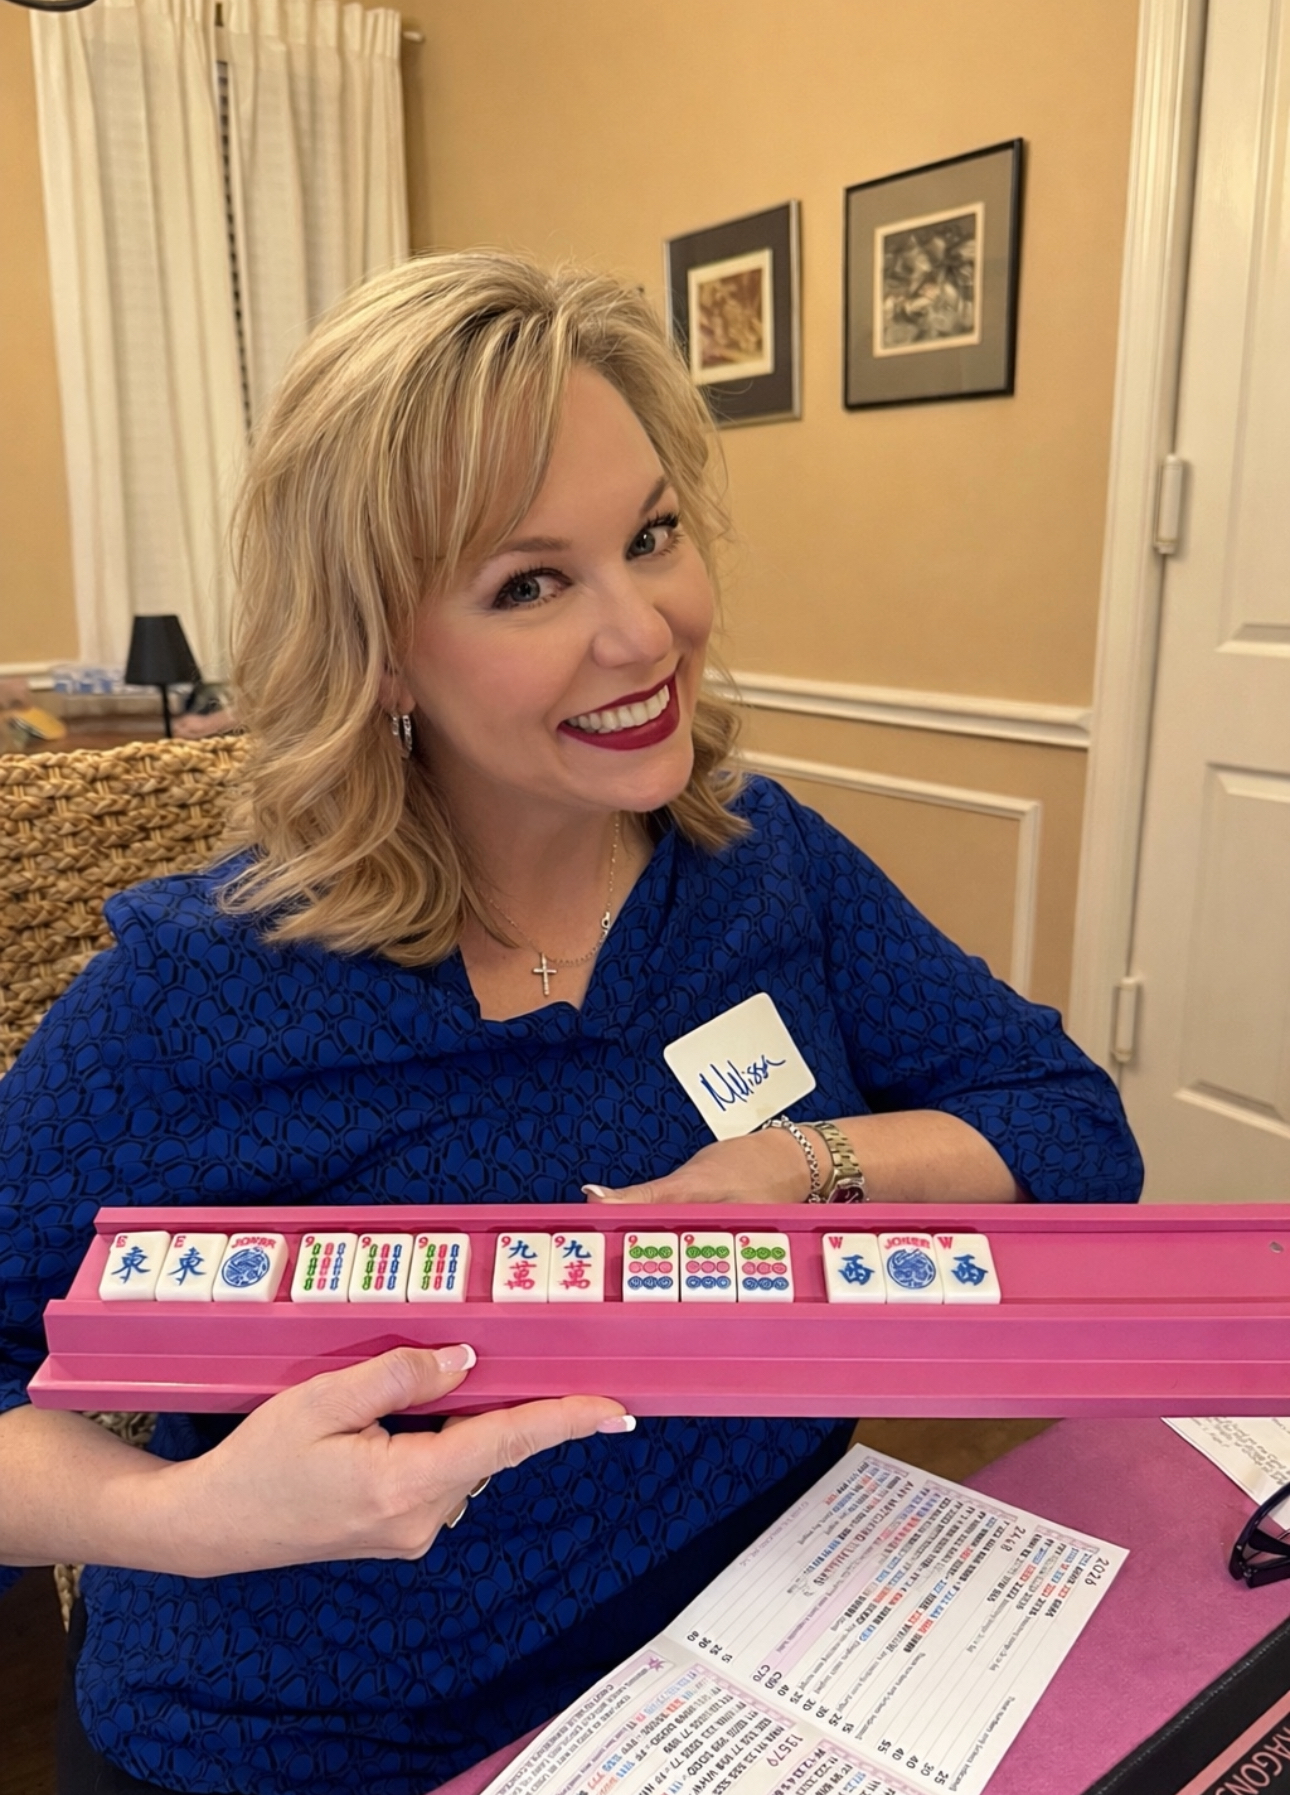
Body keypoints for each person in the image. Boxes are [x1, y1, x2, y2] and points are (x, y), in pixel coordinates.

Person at [0, 252, 1143, 1795]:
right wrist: (182, 1518)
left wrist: (805, 1164)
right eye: (530, 582)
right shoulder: (201, 989)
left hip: (750, 1672)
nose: (642, 631)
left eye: (652, 536)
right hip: (315, 1744)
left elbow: (1069, 1130)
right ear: (383, 649)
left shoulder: (764, 873)